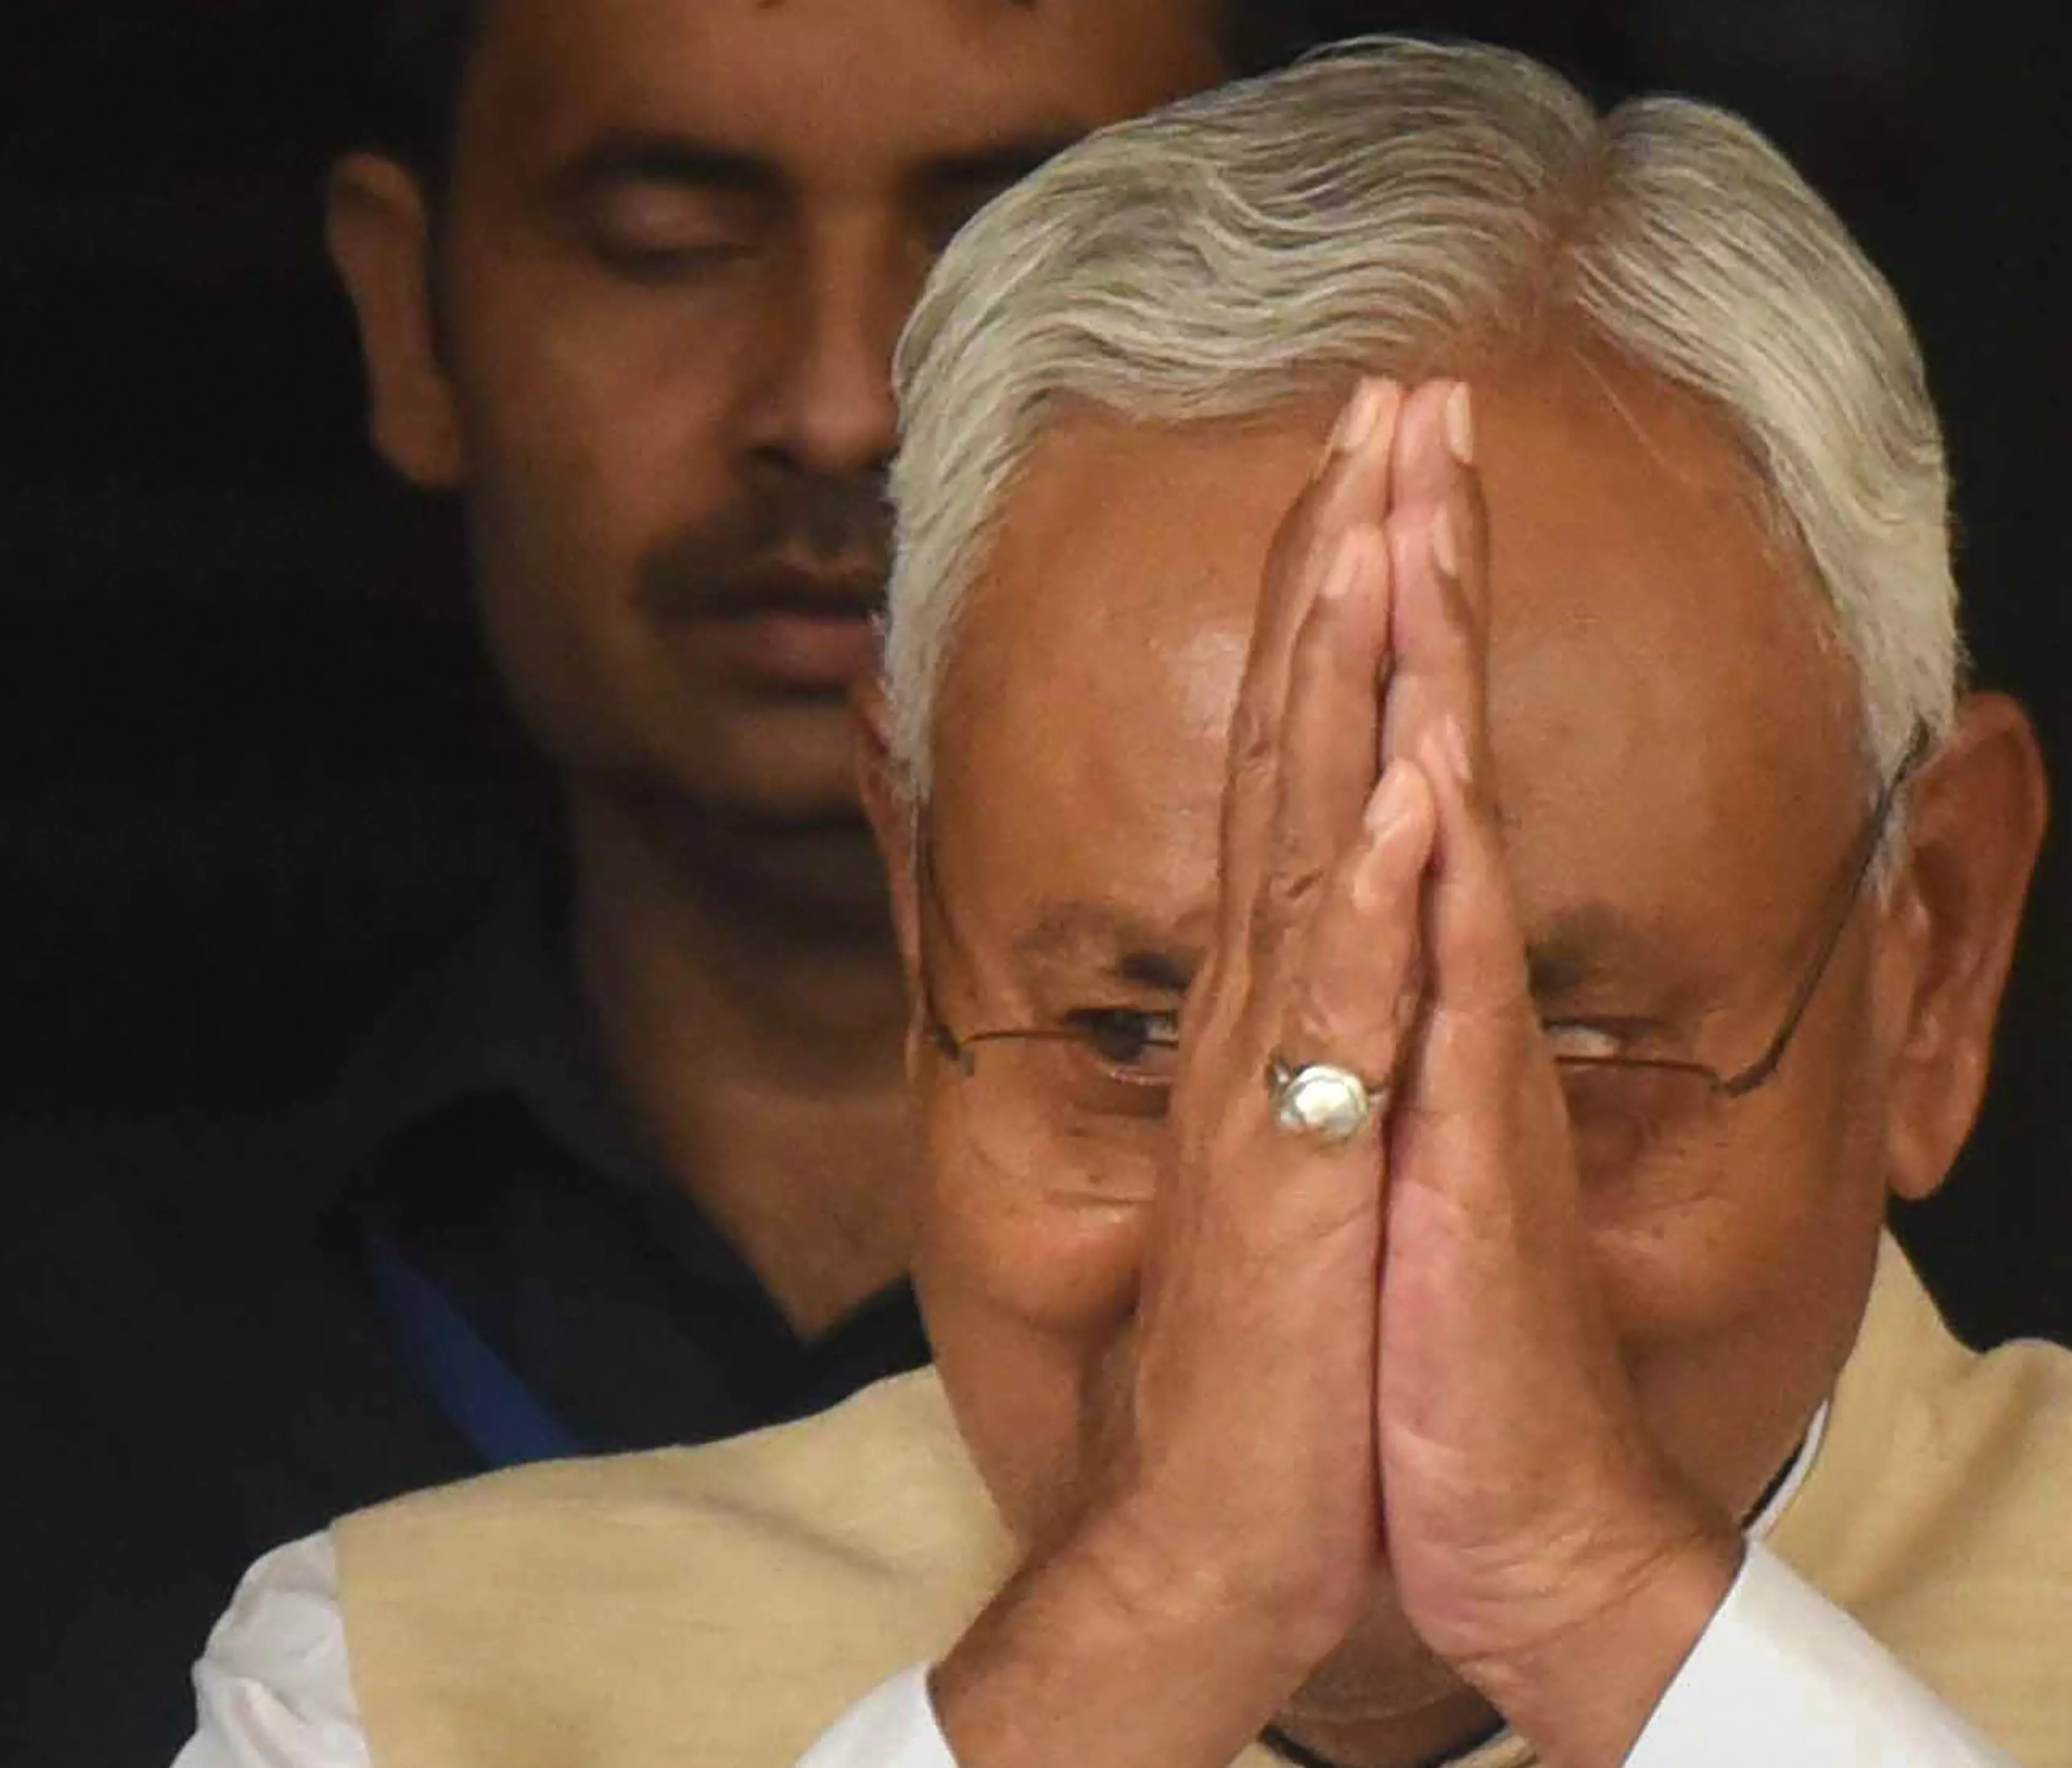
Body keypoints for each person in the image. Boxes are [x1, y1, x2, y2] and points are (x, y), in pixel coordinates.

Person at [175, 40, 2072, 1768]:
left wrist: (1600, 1603)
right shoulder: (408, 1697)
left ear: (1932, 954)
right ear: (917, 921)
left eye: (1567, 1046)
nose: (1336, 1248)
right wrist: (1137, 1638)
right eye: (1140, 1035)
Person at [1, 2, 1225, 1761]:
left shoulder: (1546, 1363)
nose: (842, 402)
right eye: (670, 245)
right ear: (409, 318)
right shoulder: (78, 1402)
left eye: (1010, 252)